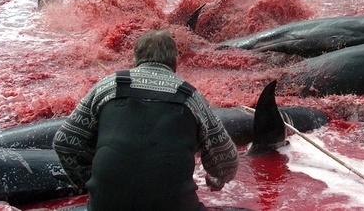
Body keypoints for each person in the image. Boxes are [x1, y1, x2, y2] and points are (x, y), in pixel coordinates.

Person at [53, 30, 239, 211]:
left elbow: (64, 142)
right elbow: (227, 158)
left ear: (135, 60)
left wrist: (87, 178)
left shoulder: (107, 87)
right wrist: (216, 180)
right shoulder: (191, 97)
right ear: (175, 63)